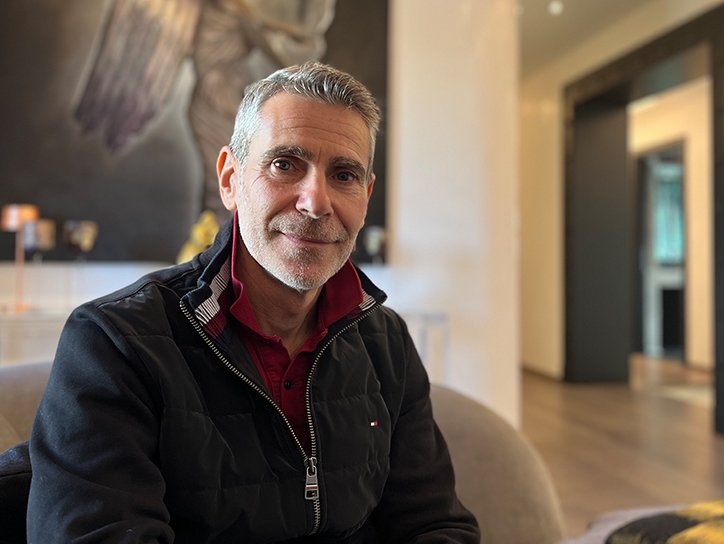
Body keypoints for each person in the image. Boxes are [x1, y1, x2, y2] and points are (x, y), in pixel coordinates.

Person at [27, 61, 480, 543]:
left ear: (366, 196)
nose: (315, 202)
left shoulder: (385, 340)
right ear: (230, 179)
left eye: (344, 174)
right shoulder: (114, 343)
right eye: (285, 164)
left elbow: (436, 524)